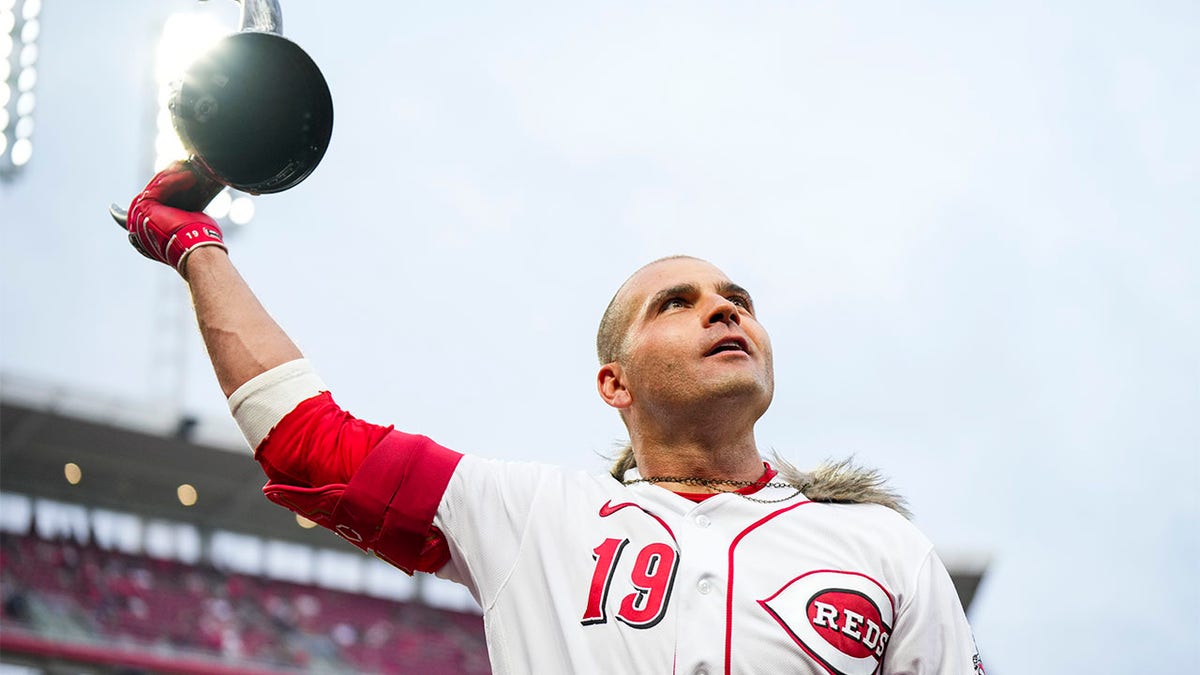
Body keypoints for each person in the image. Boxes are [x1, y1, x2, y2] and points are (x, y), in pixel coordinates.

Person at [118, 163, 985, 675]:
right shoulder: (533, 517)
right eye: (676, 303)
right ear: (615, 383)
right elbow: (310, 447)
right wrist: (198, 250)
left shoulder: (882, 545)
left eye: (738, 300)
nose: (723, 312)